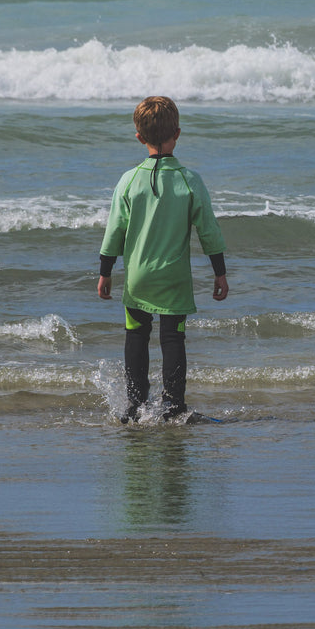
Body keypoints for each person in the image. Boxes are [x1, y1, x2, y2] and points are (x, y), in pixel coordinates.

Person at [98, 96, 228, 422]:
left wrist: (105, 272)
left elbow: (114, 230)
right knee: (173, 337)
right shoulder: (189, 180)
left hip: (138, 275)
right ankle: (173, 406)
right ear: (178, 133)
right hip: (174, 276)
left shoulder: (128, 180)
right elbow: (208, 231)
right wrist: (219, 273)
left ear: (139, 138)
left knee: (136, 334)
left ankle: (135, 405)